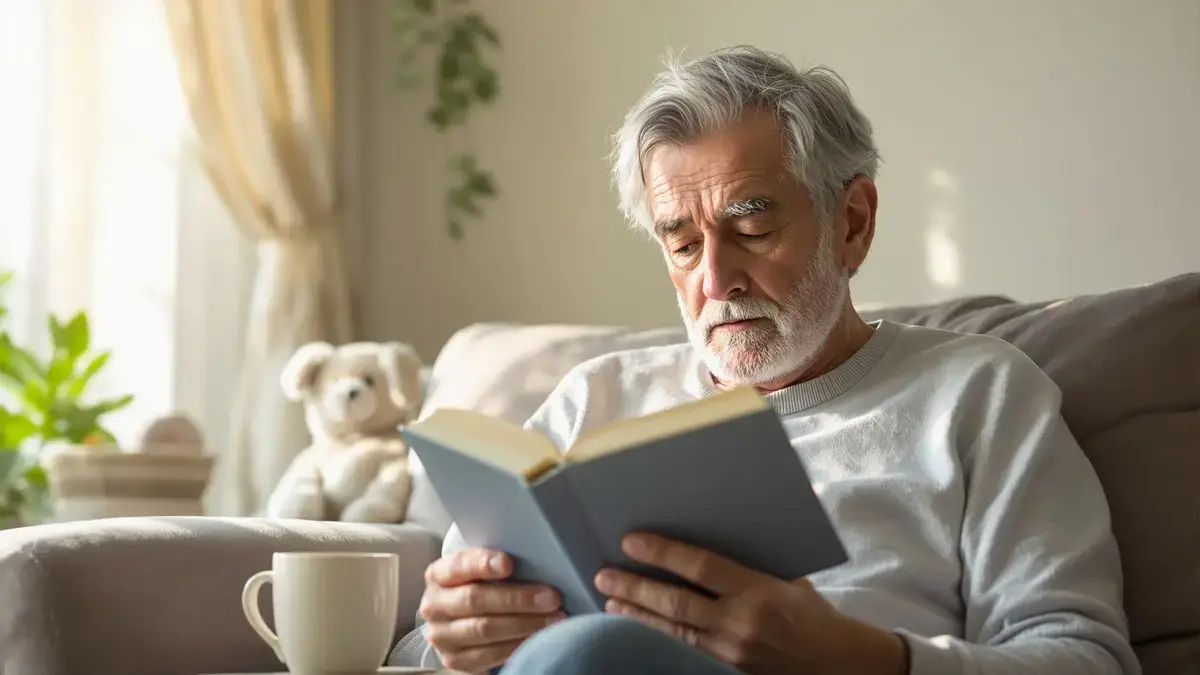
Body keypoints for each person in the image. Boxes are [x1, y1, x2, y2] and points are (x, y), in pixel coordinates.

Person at [389, 46, 1140, 675]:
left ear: (852, 223)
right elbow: (422, 644)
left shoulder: (979, 394)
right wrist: (451, 639)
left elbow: (1089, 657)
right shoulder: (595, 398)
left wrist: (871, 658)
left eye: (750, 227)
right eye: (682, 243)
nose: (715, 280)